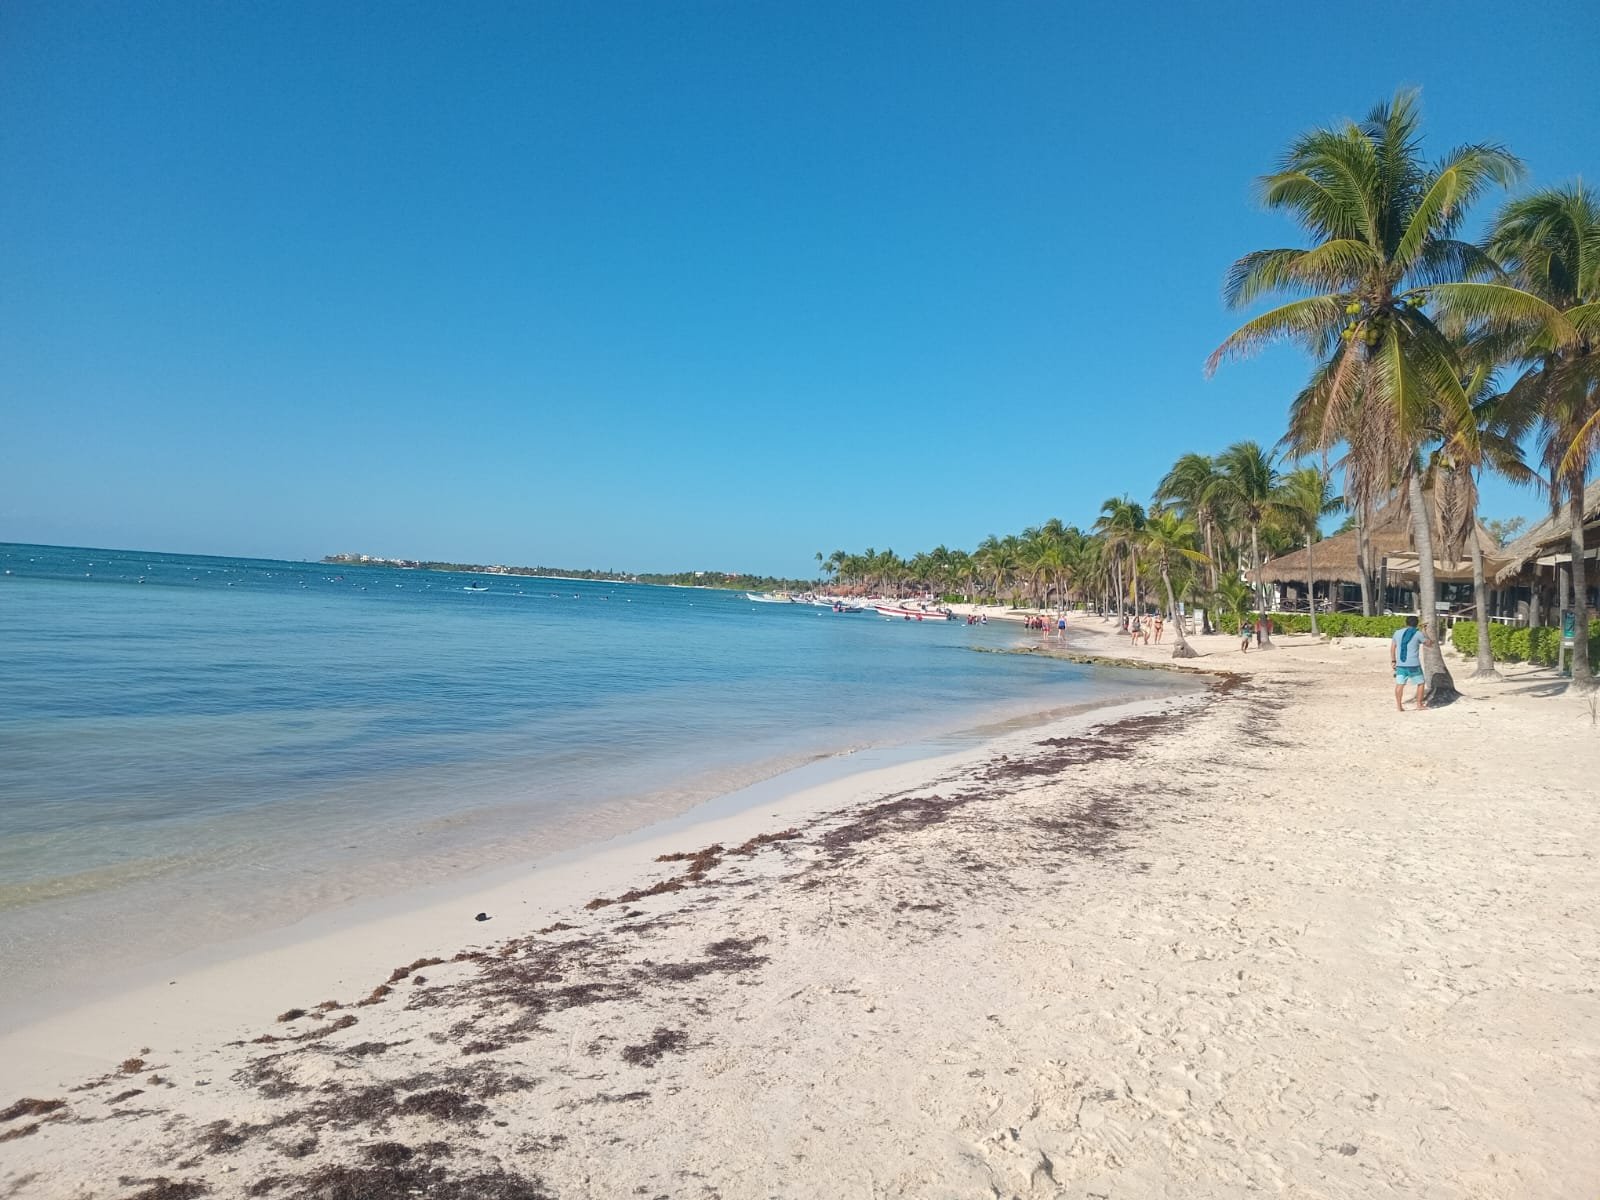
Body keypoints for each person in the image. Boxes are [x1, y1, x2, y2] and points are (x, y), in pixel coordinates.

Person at [1391, 614, 1434, 711]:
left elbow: (1393, 647)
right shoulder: (1418, 633)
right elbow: (1430, 644)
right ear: (1417, 624)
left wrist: (1393, 660)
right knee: (1421, 683)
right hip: (1413, 664)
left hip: (1401, 664)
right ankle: (1419, 704)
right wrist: (1425, 631)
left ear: (1406, 623)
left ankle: (1399, 706)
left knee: (1399, 684)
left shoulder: (1397, 633)